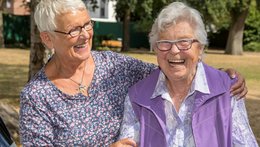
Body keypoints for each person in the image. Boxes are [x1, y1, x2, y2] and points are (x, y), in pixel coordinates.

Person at [19, 0, 247, 146]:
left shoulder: (115, 66)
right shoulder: (37, 96)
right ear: (47, 37)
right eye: (73, 30)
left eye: (87, 25)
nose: (85, 35)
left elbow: (171, 67)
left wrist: (220, 77)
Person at [116, 2, 258, 147]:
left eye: (184, 42)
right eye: (165, 43)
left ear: (201, 48)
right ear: (156, 49)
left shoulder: (227, 91)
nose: (174, 50)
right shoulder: (137, 97)